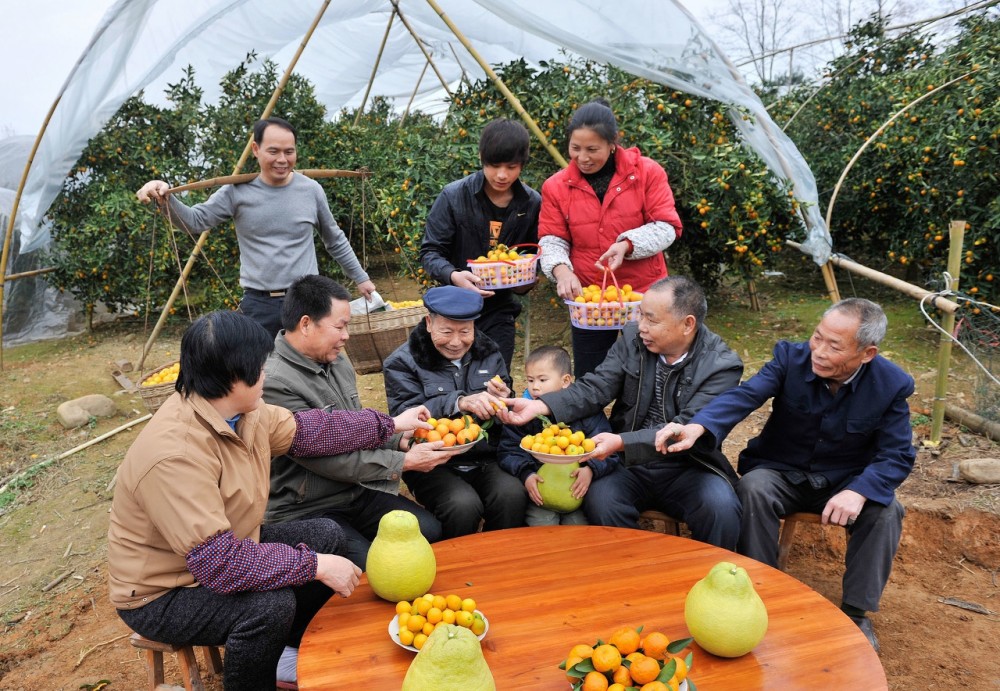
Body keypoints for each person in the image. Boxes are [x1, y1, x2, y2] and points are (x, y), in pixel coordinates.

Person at [107, 310, 431, 689]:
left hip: (222, 551)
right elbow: (219, 562)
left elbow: (312, 431)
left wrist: (390, 425)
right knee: (268, 607)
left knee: (326, 534)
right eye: (260, 367)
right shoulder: (174, 454)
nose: (266, 374)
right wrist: (313, 566)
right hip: (163, 592)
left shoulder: (244, 413)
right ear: (233, 376)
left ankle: (283, 651)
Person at [659, 298, 916, 651]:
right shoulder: (790, 359)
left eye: (834, 346)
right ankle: (761, 592)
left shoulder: (891, 385)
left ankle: (856, 614)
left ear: (867, 353)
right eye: (817, 337)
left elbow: (897, 454)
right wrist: (699, 426)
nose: (819, 351)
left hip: (844, 482)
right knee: (753, 488)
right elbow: (745, 395)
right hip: (781, 472)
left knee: (886, 511)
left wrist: (860, 490)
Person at [498, 276, 743, 549]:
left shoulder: (722, 366)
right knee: (602, 502)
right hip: (628, 464)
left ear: (687, 324)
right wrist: (542, 406)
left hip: (690, 467)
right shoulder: (632, 340)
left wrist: (620, 442)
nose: (641, 327)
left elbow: (685, 429)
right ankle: (633, 570)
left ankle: (713, 577)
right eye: (641, 316)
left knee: (721, 508)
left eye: (652, 320)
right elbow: (596, 386)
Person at [262, 275, 452, 568]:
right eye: (340, 326)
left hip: (355, 490)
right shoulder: (275, 383)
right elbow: (322, 458)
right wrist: (403, 463)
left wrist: (397, 438)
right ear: (305, 324)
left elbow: (353, 424)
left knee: (428, 531)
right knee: (369, 570)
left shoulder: (335, 358)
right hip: (307, 507)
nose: (347, 335)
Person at [136, 116, 376, 338]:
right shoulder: (236, 192)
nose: (282, 160)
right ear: (256, 150)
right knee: (263, 374)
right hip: (260, 304)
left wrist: (361, 278)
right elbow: (196, 221)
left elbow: (334, 239)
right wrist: (165, 199)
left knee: (315, 369)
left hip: (308, 299)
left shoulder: (311, 190)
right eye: (274, 151)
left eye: (289, 152)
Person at [539, 98, 683, 377]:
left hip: (645, 294)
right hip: (591, 299)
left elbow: (666, 226)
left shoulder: (646, 173)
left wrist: (626, 245)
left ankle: (646, 420)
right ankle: (591, 421)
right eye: (575, 148)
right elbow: (552, 238)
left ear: (613, 142)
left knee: (649, 369)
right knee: (591, 372)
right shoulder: (556, 186)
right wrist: (561, 270)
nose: (583, 157)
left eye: (593, 149)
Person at [383, 285, 528, 538]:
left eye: (465, 331)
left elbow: (507, 401)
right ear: (429, 323)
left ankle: (498, 558)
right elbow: (407, 417)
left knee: (511, 495)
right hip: (433, 462)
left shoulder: (489, 351)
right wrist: (459, 402)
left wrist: (504, 400)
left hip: (486, 455)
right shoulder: (402, 362)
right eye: (447, 331)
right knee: (462, 506)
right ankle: (455, 564)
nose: (456, 341)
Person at [419, 118, 542, 369]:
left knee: (495, 382)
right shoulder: (454, 196)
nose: (502, 175)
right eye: (494, 165)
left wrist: (525, 281)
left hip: (499, 311)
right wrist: (455, 276)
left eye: (512, 166)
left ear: (523, 164)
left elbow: (531, 255)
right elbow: (430, 252)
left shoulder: (531, 203)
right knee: (450, 385)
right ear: (481, 158)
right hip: (451, 309)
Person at [497, 345, 619, 526]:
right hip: (540, 493)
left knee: (577, 526)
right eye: (530, 380)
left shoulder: (587, 412)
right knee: (542, 523)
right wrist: (526, 474)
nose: (535, 387)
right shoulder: (524, 413)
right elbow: (509, 449)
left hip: (576, 493)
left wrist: (590, 470)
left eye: (542, 380)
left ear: (565, 380)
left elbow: (609, 449)